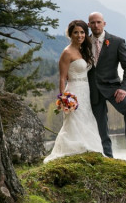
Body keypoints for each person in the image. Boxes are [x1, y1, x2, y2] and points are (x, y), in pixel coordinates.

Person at [44, 20, 104, 163]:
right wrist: (64, 99)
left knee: (86, 118)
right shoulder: (67, 52)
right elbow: (62, 79)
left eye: (82, 32)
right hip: (74, 91)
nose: (79, 35)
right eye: (76, 32)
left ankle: (88, 147)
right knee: (74, 120)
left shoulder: (83, 50)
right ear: (70, 34)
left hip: (85, 90)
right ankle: (74, 149)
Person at [87, 12, 126, 160]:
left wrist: (124, 88)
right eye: (92, 22)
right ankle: (108, 157)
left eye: (98, 22)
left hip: (113, 88)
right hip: (91, 90)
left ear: (104, 23)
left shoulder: (117, 42)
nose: (96, 25)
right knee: (101, 124)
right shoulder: (83, 42)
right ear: (88, 25)